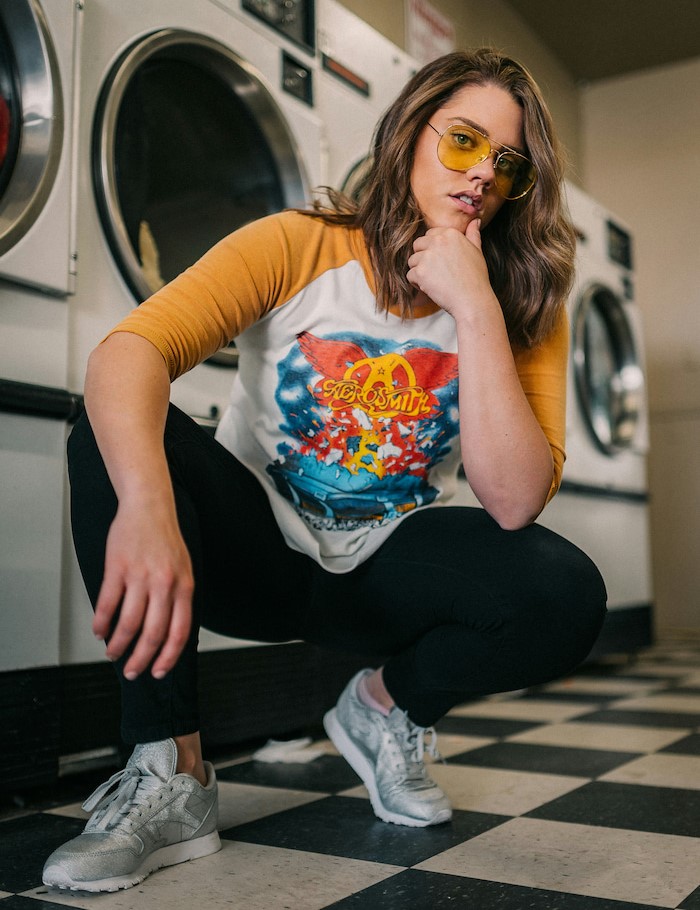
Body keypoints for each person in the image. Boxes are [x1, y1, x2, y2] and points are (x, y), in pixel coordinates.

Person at [43, 48, 607, 892]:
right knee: (109, 425)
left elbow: (515, 499)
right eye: (462, 141)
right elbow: (131, 352)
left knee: (566, 594)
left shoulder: (525, 301)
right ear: (410, 134)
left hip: (379, 576)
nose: (482, 173)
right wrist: (148, 503)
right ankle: (171, 772)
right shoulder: (298, 245)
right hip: (248, 551)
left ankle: (385, 709)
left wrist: (477, 307)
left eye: (507, 162)